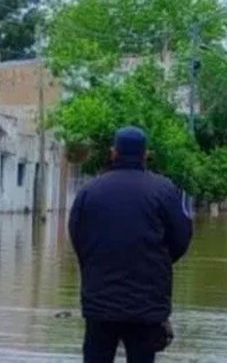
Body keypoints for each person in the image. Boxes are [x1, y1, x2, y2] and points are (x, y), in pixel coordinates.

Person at [68, 126, 194, 363]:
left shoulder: (89, 191)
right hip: (147, 304)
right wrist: (157, 262)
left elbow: (77, 237)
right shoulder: (164, 191)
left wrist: (96, 264)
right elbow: (181, 239)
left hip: (100, 302)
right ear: (146, 155)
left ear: (113, 152)